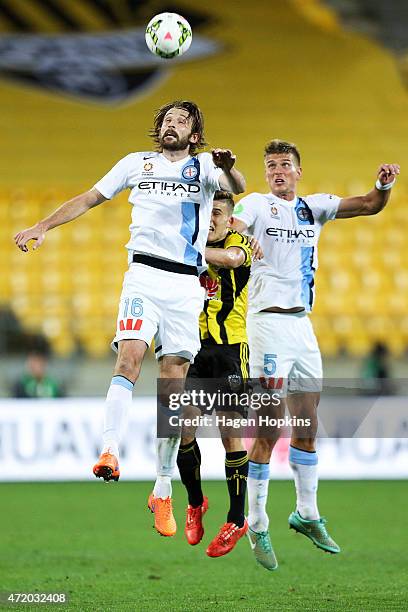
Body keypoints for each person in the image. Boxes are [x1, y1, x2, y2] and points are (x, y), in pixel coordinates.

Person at [14, 100, 246, 538]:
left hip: (183, 285)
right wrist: (43, 225)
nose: (172, 125)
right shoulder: (135, 163)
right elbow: (88, 198)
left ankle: (162, 489)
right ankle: (109, 451)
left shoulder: (203, 170)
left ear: (195, 135)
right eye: (167, 120)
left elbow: (238, 183)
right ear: (158, 129)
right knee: (129, 360)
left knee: (172, 385)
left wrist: (230, 168)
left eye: (183, 121)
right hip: (142, 274)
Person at [232, 139, 399, 569]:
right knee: (269, 428)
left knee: (306, 426)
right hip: (267, 322)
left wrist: (383, 186)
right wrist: (234, 238)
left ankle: (306, 513)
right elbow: (232, 222)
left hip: (302, 327)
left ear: (299, 171)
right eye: (271, 166)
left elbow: (368, 205)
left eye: (285, 165)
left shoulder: (315, 207)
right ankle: (257, 521)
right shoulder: (256, 205)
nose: (277, 171)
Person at [176, 190, 258, 559]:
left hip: (230, 352)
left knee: (230, 436)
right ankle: (196, 502)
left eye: (218, 213)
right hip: (195, 349)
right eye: (206, 212)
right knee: (183, 430)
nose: (210, 219)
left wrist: (183, 248)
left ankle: (237, 519)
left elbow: (229, 259)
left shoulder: (239, 243)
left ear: (230, 219)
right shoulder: (187, 234)